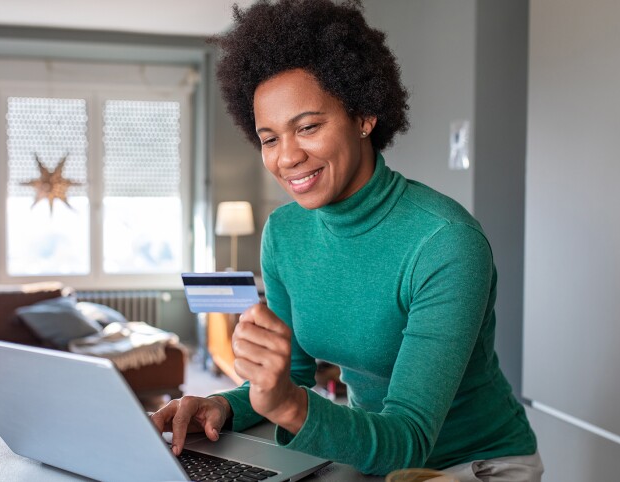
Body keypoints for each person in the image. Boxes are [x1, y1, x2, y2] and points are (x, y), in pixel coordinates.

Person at [151, 0, 542, 479]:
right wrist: (217, 406)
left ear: (363, 115)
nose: (287, 157)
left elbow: (410, 438)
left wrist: (291, 408)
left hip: (475, 463)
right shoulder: (285, 233)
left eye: (309, 126)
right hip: (370, 451)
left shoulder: (445, 242)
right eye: (269, 138)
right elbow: (291, 375)